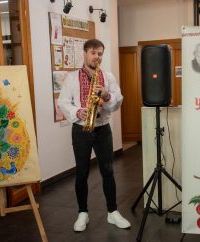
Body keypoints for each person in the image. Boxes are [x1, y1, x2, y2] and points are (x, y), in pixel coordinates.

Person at [58, 39, 131, 232]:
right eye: (93, 53)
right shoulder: (72, 78)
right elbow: (63, 102)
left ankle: (112, 212)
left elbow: (118, 101)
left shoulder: (107, 77)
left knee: (108, 171)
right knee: (81, 172)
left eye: (100, 54)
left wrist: (106, 95)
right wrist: (77, 112)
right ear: (84, 53)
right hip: (81, 129)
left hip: (102, 128)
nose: (96, 57)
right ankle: (83, 212)